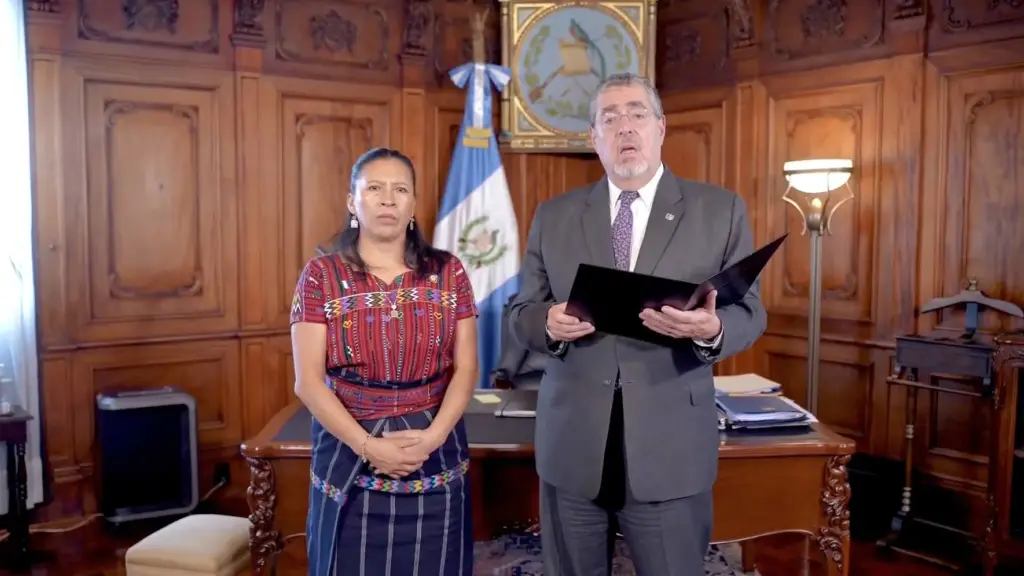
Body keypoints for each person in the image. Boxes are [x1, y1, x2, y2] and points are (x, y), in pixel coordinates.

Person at [508, 74, 767, 575]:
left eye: (637, 114)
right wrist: (547, 324)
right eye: (610, 118)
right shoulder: (554, 215)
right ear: (593, 137)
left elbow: (750, 311)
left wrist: (709, 330)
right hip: (574, 443)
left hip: (669, 444)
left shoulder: (719, 210)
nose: (625, 127)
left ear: (661, 127)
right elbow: (520, 313)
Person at [290, 147, 479, 576]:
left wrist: (430, 440)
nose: (388, 199)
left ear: (413, 204)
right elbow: (308, 382)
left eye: (400, 190)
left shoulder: (450, 272)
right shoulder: (320, 275)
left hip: (435, 447)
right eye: (374, 188)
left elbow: (466, 369)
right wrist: (367, 445)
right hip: (349, 455)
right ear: (352, 201)